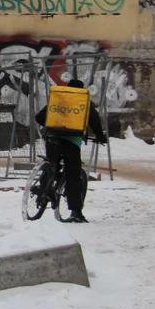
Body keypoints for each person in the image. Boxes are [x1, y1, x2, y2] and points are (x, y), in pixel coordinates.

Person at [34, 78, 107, 223]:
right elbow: (95, 121)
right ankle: (76, 212)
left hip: (52, 138)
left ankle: (43, 191)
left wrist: (52, 125)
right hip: (71, 142)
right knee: (73, 176)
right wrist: (100, 137)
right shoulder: (84, 102)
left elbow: (39, 117)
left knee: (51, 165)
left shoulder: (59, 100)